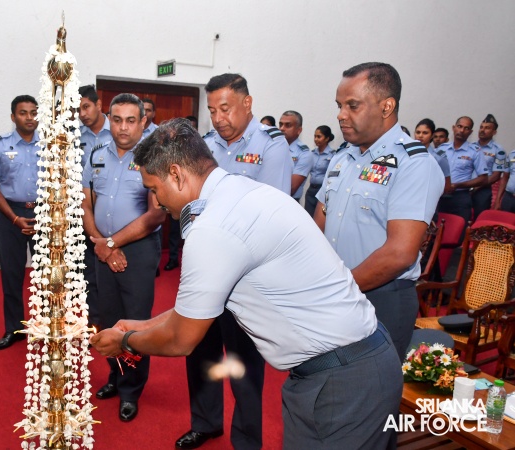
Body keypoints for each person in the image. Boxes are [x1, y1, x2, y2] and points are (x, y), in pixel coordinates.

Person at [90, 118, 404, 450]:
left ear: (176, 175)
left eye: (154, 189)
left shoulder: (214, 227)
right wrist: (141, 326)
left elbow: (182, 339)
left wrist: (126, 341)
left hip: (342, 381)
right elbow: (196, 309)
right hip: (358, 362)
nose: (157, 202)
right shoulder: (240, 191)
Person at [175, 73, 291, 450]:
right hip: (205, 267)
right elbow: (189, 204)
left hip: (246, 275)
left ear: (247, 103)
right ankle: (205, 422)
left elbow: (268, 214)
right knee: (200, 348)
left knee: (244, 362)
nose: (218, 117)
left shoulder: (271, 145)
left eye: (224, 108)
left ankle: (246, 439)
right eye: (212, 110)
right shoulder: (205, 146)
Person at [314, 62, 444, 360]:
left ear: (387, 106)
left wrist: (337, 289)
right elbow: (317, 227)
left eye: (352, 105)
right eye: (339, 106)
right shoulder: (342, 159)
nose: (341, 115)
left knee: (371, 387)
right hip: (333, 294)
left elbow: (400, 253)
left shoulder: (414, 164)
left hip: (380, 298)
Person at [81, 93, 166, 421]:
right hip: (101, 248)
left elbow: (155, 215)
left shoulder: (153, 157)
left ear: (143, 122)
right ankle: (115, 377)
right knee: (107, 316)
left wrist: (112, 243)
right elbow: (86, 202)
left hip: (138, 251)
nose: (123, 127)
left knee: (135, 322)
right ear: (109, 119)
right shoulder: (97, 153)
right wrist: (100, 243)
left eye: (131, 120)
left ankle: (131, 389)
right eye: (117, 120)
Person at [0, 95, 40, 351]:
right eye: (23, 113)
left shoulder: (50, 145)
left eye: (33, 112)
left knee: (47, 276)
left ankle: (45, 328)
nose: (29, 117)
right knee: (12, 274)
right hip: (9, 214)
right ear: (13, 117)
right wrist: (15, 219)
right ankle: (14, 329)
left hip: (44, 213)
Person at [78, 85, 111, 326]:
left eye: (86, 107)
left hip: (111, 210)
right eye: (77, 110)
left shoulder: (118, 131)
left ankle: (116, 321)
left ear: (99, 105)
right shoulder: (75, 137)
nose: (82, 114)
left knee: (112, 270)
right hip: (85, 210)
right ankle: (95, 322)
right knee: (89, 271)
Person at [436, 116, 488, 226]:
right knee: (436, 229)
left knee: (458, 230)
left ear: (470, 132)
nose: (462, 130)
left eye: (466, 128)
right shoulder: (441, 149)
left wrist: (457, 185)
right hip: (439, 196)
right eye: (459, 126)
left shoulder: (475, 151)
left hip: (460, 197)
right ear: (453, 128)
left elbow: (483, 179)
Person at [164, 115, 199, 271]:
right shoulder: (173, 149)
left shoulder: (202, 149)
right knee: (174, 231)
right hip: (177, 198)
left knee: (194, 234)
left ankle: (192, 263)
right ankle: (173, 259)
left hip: (195, 200)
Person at [471, 114, 504, 220]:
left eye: (487, 128)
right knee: (463, 217)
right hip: (465, 188)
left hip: (482, 190)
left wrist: (476, 187)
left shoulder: (499, 150)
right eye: (481, 127)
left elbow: (496, 175)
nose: (482, 130)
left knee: (479, 220)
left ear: (494, 132)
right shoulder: (471, 146)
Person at [279, 111, 314, 202]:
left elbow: (291, 188)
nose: (282, 128)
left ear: (299, 130)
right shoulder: (274, 148)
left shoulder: (304, 154)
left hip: (289, 201)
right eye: (281, 124)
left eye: (288, 125)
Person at [304, 126, 335, 217]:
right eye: (315, 136)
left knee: (319, 217)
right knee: (308, 217)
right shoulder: (312, 153)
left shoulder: (333, 155)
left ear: (327, 138)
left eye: (319, 136)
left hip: (322, 190)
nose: (316, 139)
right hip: (311, 190)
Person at [414, 118, 451, 194]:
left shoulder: (438, 158)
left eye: (425, 133)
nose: (420, 135)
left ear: (432, 136)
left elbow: (447, 185)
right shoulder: (407, 155)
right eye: (418, 132)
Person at [492, 148, 515, 212]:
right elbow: (505, 178)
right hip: (508, 197)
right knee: (504, 217)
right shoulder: (512, 154)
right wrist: (497, 200)